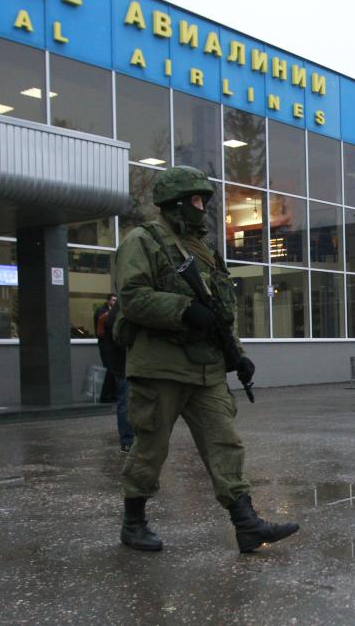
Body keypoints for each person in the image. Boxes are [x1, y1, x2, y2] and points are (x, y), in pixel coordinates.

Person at [114, 165, 299, 553]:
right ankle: (133, 523)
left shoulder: (205, 250)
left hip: (206, 367)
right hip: (160, 365)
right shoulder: (143, 241)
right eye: (196, 200)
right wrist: (182, 309)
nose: (202, 207)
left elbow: (219, 311)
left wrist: (239, 355)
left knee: (225, 443)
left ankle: (246, 523)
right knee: (150, 446)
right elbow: (132, 298)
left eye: (203, 200)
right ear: (176, 203)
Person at [102, 300, 133, 453]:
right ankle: (127, 440)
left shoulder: (116, 311)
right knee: (126, 402)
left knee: (127, 401)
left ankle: (129, 439)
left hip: (123, 364)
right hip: (125, 364)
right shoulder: (120, 312)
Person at [94, 294, 118, 402]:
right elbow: (104, 325)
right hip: (105, 345)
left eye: (116, 300)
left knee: (113, 370)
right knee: (109, 370)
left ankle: (112, 394)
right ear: (108, 301)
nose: (115, 302)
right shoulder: (102, 311)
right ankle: (105, 395)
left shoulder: (110, 311)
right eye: (113, 300)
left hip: (110, 345)